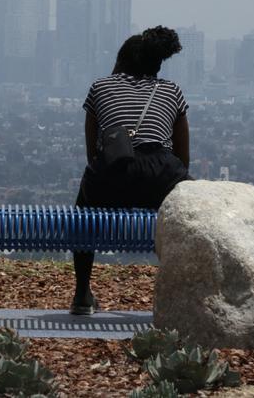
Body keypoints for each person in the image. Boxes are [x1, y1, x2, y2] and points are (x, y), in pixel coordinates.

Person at [70, 26, 191, 315]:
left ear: (120, 61)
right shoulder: (172, 91)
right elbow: (183, 157)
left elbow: (93, 154)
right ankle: (186, 297)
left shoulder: (100, 87)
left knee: (82, 212)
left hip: (113, 174)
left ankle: (82, 293)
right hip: (162, 175)